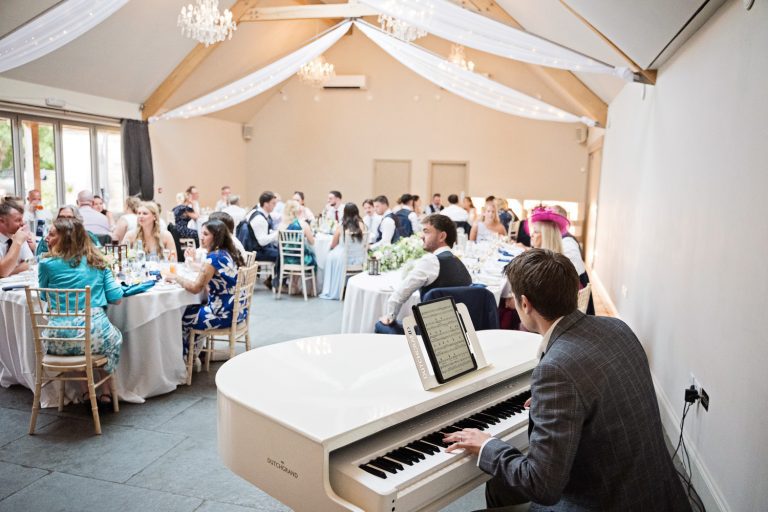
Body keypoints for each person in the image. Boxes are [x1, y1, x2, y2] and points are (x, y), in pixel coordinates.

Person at [443, 249, 691, 511]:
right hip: (655, 491)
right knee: (500, 487)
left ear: (525, 304)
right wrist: (562, 402)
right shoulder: (618, 328)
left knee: (500, 483)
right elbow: (598, 389)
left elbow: (541, 486)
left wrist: (488, 445)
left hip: (605, 502)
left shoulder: (557, 371)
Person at [38, 217, 123, 399]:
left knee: (76, 337)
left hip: (57, 340)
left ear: (66, 239)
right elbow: (116, 298)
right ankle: (106, 393)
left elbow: (44, 296)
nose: (46, 238)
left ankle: (86, 392)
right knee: (111, 338)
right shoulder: (98, 262)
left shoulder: (46, 264)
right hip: (94, 337)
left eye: (52, 235)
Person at [375, 214, 472, 335]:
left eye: (426, 232)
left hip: (429, 335)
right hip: (457, 334)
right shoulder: (460, 264)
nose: (421, 236)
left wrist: (390, 316)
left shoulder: (430, 261)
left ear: (442, 236)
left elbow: (401, 293)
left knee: (380, 325)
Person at [162, 220, 246, 358]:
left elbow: (195, 288)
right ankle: (194, 354)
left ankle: (184, 359)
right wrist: (192, 262)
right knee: (191, 308)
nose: (201, 237)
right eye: (201, 233)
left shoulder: (214, 257)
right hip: (236, 310)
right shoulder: (224, 253)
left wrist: (175, 277)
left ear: (216, 237)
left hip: (223, 313)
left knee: (182, 316)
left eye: (206, 234)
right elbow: (207, 271)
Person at [319, 203, 366, 300]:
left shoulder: (342, 226)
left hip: (346, 259)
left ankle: (337, 288)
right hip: (360, 258)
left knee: (330, 257)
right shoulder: (361, 225)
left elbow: (333, 244)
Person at [36, 205, 101, 256]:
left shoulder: (88, 236)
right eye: (61, 217)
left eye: (70, 217)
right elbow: (39, 259)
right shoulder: (48, 238)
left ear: (77, 220)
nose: (65, 221)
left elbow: (99, 254)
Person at [247, 191, 279, 288]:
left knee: (280, 251)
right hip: (256, 251)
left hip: (254, 247)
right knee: (282, 254)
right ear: (265, 204)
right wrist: (277, 233)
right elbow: (262, 241)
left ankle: (271, 280)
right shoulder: (259, 219)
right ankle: (275, 282)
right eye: (273, 203)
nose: (275, 206)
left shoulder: (255, 212)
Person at [0, 201, 35, 277]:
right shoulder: (18, 239)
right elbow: (2, 272)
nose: (22, 223)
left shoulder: (18, 234)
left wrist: (9, 272)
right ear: (1, 221)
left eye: (22, 219)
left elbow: (32, 261)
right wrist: (17, 242)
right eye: (18, 220)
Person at [278, 199, 317, 268]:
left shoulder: (281, 225)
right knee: (315, 258)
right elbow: (312, 242)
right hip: (300, 259)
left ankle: (293, 279)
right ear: (298, 211)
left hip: (285, 258)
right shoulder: (303, 224)